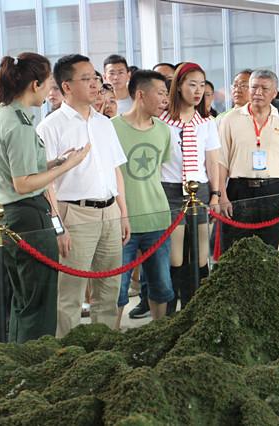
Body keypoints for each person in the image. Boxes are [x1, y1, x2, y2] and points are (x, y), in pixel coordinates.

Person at [0, 52, 89, 343]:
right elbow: (22, 183)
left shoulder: (2, 114)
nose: (50, 92)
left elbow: (21, 168)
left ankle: (20, 357)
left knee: (24, 300)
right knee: (38, 303)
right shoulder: (17, 123)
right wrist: (67, 167)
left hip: (14, 214)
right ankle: (34, 359)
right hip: (27, 214)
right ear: (35, 85)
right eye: (49, 85)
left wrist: (55, 161)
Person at [37, 54, 129, 337]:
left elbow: (115, 170)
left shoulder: (104, 123)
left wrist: (123, 213)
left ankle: (102, 347)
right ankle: (68, 353)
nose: (95, 84)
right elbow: (46, 184)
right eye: (86, 79)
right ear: (66, 86)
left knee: (109, 289)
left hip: (110, 212)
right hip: (74, 214)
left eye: (95, 78)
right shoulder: (50, 126)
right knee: (70, 294)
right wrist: (58, 227)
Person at [111, 70, 174, 323]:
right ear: (140, 94)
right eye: (160, 93)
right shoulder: (111, 128)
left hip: (158, 218)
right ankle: (112, 337)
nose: (165, 99)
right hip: (120, 221)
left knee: (161, 286)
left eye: (166, 94)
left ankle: (160, 333)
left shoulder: (164, 130)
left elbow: (159, 170)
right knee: (117, 290)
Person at [159, 63, 221, 314]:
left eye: (202, 85)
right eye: (192, 85)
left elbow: (213, 161)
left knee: (200, 256)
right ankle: (170, 315)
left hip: (201, 190)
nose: (198, 91)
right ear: (178, 86)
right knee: (175, 258)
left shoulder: (206, 122)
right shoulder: (162, 121)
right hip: (171, 191)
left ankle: (196, 311)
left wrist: (216, 194)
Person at [218, 69, 279, 251]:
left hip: (273, 190)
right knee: (235, 249)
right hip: (239, 190)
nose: (258, 92)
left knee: (268, 250)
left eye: (264, 88)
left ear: (274, 93)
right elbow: (221, 162)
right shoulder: (230, 119)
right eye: (254, 87)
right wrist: (222, 196)